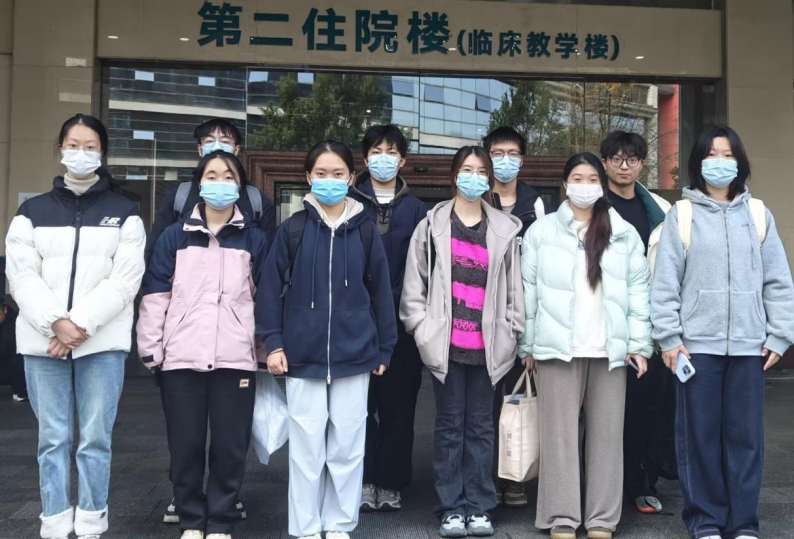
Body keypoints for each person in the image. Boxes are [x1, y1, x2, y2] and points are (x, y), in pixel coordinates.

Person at [5, 114, 146, 539]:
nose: (80, 153)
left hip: (100, 343)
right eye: (72, 144)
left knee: (95, 439)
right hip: (43, 342)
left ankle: (90, 521)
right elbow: (21, 276)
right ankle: (53, 521)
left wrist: (78, 326)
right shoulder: (31, 213)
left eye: (90, 146)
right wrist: (56, 323)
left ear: (102, 153)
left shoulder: (125, 212)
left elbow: (125, 280)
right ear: (60, 149)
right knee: (52, 439)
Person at [651, 126, 794, 539]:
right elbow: (665, 284)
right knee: (699, 439)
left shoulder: (758, 214)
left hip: (750, 348)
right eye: (712, 155)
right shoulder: (683, 214)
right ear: (698, 163)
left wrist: (779, 335)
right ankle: (706, 521)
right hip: (696, 349)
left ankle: (743, 523)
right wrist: (670, 339)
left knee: (745, 440)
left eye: (728, 155)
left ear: (740, 162)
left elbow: (778, 281)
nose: (720, 162)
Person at [258, 140, 397, 539]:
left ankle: (338, 526)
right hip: (302, 357)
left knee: (347, 449)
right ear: (308, 178)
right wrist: (273, 343)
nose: (329, 180)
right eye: (321, 173)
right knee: (306, 451)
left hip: (355, 356)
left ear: (351, 178)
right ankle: (305, 529)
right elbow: (269, 290)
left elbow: (381, 293)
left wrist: (384, 347)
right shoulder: (293, 229)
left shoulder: (365, 230)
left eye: (338, 173)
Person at [519, 152, 653, 539]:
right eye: (577, 178)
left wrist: (639, 344)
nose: (585, 186)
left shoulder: (623, 233)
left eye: (592, 179)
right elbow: (528, 293)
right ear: (564, 185)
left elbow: (639, 293)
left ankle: (601, 520)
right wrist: (528, 346)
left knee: (607, 439)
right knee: (558, 438)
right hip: (557, 349)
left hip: (609, 351)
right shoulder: (541, 232)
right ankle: (561, 517)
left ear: (601, 185)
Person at [137, 151, 269, 539]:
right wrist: (151, 350)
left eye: (228, 176)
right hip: (181, 358)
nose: (219, 183)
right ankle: (192, 519)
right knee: (186, 445)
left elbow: (266, 300)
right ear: (199, 184)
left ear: (240, 185)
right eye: (211, 175)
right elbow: (155, 296)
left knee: (230, 446)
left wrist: (264, 351)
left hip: (235, 359)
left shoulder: (255, 239)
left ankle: (221, 520)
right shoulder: (174, 237)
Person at [400, 146, 525, 538]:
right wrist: (421, 328)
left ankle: (480, 506)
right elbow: (414, 285)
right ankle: (452, 507)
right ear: (454, 175)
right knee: (450, 428)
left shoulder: (503, 228)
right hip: (447, 347)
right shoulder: (432, 225)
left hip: (489, 347)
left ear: (489, 179)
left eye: (481, 171)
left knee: (482, 428)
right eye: (467, 170)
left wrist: (513, 330)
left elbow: (515, 291)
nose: (474, 177)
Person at [350, 124, 428, 513]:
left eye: (392, 152)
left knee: (399, 407)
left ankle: (391, 482)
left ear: (403, 161)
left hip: (402, 327)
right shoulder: (348, 203)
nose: (384, 158)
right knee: (358, 408)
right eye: (377, 152)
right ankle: (363, 478)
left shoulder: (418, 211)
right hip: (355, 325)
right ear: (365, 160)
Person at [599, 130, 677, 515]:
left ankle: (642, 484)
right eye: (616, 158)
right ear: (604, 163)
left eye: (632, 159)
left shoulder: (660, 209)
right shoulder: (592, 203)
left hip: (649, 323)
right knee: (605, 413)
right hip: (604, 322)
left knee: (646, 409)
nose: (624, 166)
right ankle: (604, 488)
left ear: (642, 164)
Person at [482, 126, 545, 508]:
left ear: (522, 159)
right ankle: (487, 480)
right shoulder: (477, 197)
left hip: (520, 316)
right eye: (497, 153)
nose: (505, 160)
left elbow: (542, 266)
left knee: (516, 402)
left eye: (512, 153)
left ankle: (514, 479)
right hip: (482, 317)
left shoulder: (534, 204)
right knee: (484, 408)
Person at [146, 118, 276, 259]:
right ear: (200, 149)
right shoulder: (178, 197)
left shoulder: (257, 202)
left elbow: (268, 259)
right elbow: (156, 252)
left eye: (225, 141)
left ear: (236, 149)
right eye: (209, 141)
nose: (217, 146)